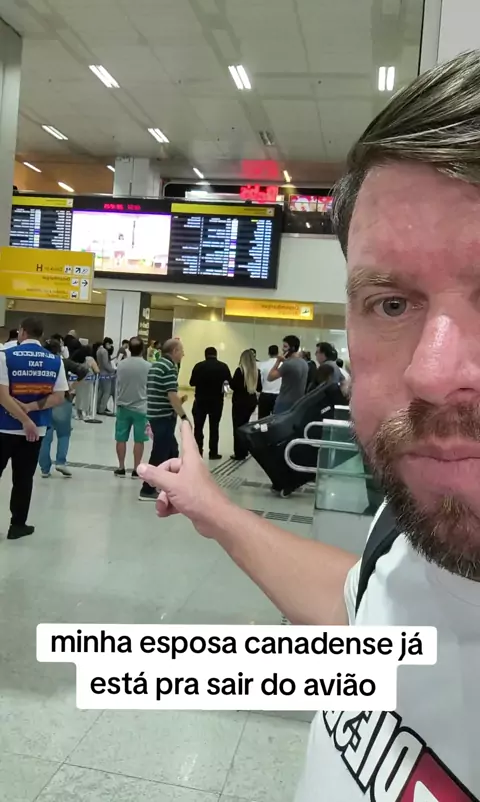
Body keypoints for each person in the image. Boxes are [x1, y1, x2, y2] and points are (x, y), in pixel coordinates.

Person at [137, 51, 480, 800]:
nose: (431, 373)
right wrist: (214, 509)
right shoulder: (410, 514)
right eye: (392, 304)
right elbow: (364, 608)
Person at [0, 317, 68, 539]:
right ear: (40, 334)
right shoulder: (55, 361)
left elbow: (2, 396)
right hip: (35, 431)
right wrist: (30, 412)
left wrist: (22, 419)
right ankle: (17, 525)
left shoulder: (5, 356)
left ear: (22, 332)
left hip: (3, 427)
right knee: (23, 478)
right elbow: (59, 397)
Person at [139, 338, 187, 501]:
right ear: (174, 351)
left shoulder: (157, 365)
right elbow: (171, 395)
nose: (183, 354)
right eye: (181, 351)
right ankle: (147, 488)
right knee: (160, 453)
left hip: (155, 414)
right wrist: (184, 416)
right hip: (163, 417)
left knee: (171, 450)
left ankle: (167, 484)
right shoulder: (169, 367)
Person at [38, 338, 88, 478]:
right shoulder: (63, 362)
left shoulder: (40, 362)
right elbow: (83, 370)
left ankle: (44, 468)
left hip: (43, 401)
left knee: (45, 436)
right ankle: (61, 462)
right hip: (62, 400)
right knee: (64, 434)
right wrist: (72, 386)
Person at [114, 336, 150, 478]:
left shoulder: (121, 365)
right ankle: (136, 469)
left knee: (121, 438)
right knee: (139, 440)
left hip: (123, 406)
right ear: (143, 349)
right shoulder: (148, 366)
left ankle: (121, 467)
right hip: (141, 407)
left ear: (129, 348)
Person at [190, 347, 231, 459]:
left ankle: (198, 451)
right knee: (214, 427)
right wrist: (224, 393)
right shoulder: (223, 367)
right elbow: (228, 384)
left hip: (200, 401)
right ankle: (213, 452)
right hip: (217, 402)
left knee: (198, 428)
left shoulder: (199, 366)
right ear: (216, 355)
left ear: (205, 355)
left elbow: (192, 383)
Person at [230, 349, 261, 460]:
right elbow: (259, 388)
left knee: (237, 428)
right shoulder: (256, 371)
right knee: (245, 426)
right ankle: (245, 449)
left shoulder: (240, 371)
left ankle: (239, 453)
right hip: (251, 401)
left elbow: (233, 386)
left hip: (239, 402)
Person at [267, 334, 308, 413]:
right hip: (298, 402)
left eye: (285, 347)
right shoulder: (304, 363)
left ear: (292, 348)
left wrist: (278, 361)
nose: (282, 349)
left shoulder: (288, 364)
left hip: (284, 403)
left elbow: (270, 377)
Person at [70, 342, 99, 420]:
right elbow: (97, 370)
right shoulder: (90, 359)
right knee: (87, 397)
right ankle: (85, 413)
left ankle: (78, 414)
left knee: (79, 397)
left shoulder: (78, 358)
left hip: (79, 379)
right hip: (88, 381)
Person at [257, 344, 281, 418]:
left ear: (268, 353)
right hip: (278, 395)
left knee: (262, 420)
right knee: (277, 419)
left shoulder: (262, 365)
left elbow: (260, 380)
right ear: (278, 353)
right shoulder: (282, 365)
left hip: (265, 395)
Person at [96, 337, 115, 415]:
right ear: (107, 344)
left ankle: (97, 407)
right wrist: (113, 370)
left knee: (100, 391)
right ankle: (102, 409)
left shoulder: (98, 350)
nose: (110, 347)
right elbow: (105, 364)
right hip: (106, 373)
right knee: (107, 392)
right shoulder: (104, 351)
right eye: (110, 345)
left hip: (100, 372)